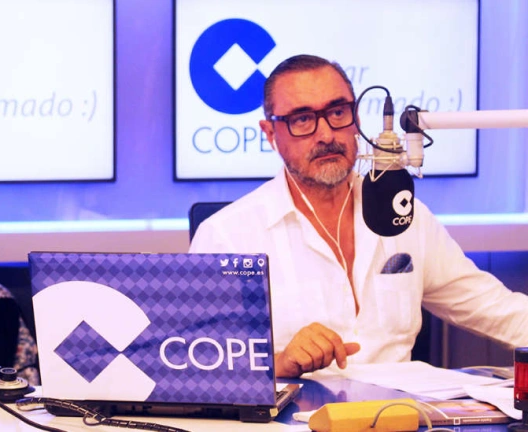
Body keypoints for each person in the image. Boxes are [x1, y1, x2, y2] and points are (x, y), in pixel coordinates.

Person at [189, 54, 528, 378]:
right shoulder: (227, 234)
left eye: (338, 112)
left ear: (357, 120)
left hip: (399, 410)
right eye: (302, 119)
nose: (326, 135)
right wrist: (277, 363)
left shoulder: (403, 214)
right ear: (269, 134)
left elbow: (494, 308)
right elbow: (192, 361)